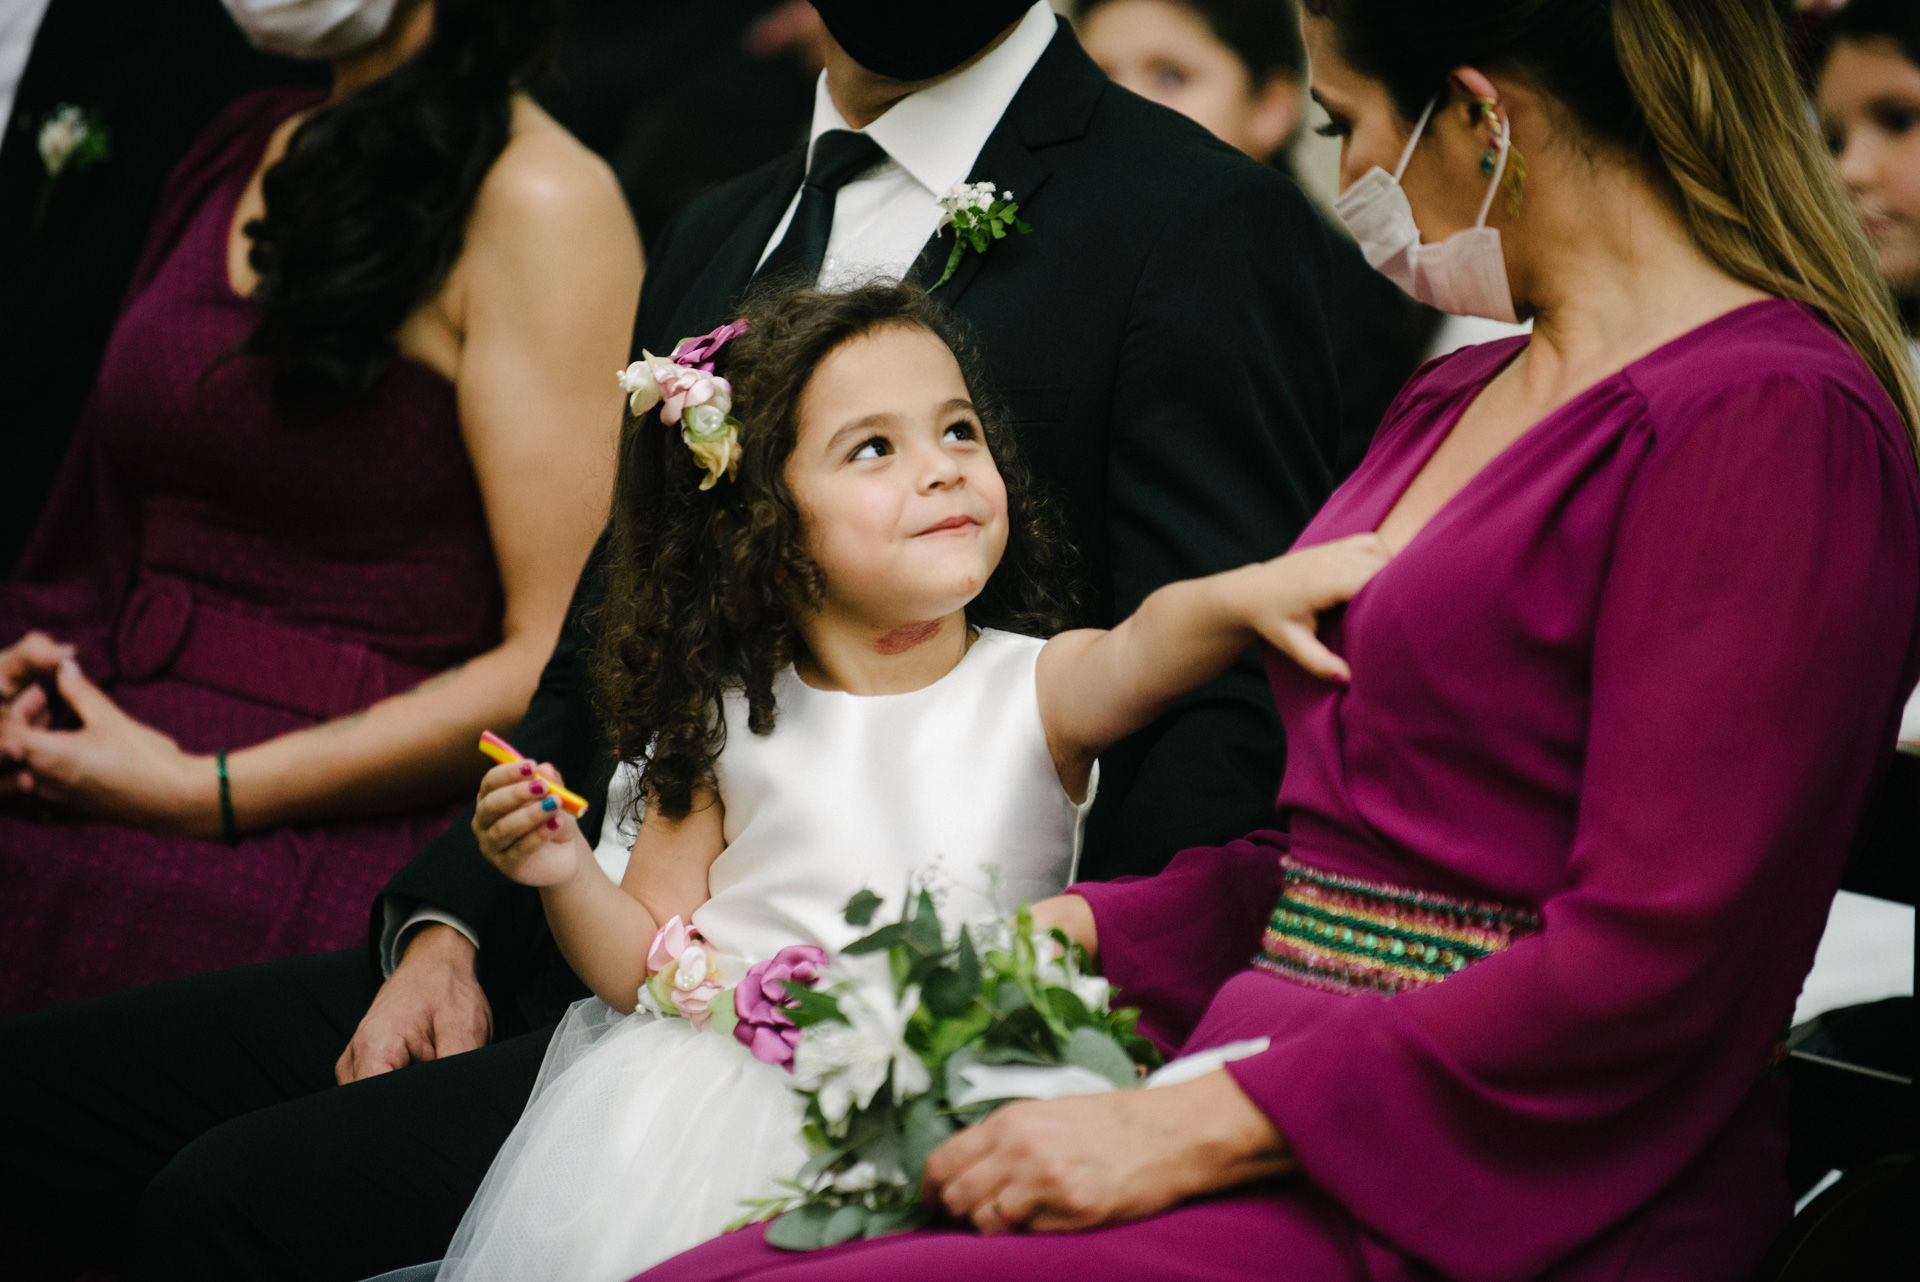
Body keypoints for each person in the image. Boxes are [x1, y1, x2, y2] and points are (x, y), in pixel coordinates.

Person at [0, 4, 1337, 1278]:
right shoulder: (721, 218)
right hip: (583, 933)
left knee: (230, 1208)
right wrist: (455, 920)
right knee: (44, 1103)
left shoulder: (1192, 219)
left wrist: (1067, 1045)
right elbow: (607, 625)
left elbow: (1211, 701)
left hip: (862, 1023)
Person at [641, 0, 1920, 1278]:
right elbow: (1345, 856)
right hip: (1257, 1084)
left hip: (1497, 1183)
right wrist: (1084, 935)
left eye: (1347, 124)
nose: (1352, 176)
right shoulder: (1451, 395)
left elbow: (1664, 959)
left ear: (1482, 117)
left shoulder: (1770, 418)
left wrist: (1193, 1125)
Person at [435, 279, 1380, 1281]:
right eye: (875, 448)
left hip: (960, 1103)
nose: (943, 471)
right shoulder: (715, 726)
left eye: (960, 431)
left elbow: (1146, 646)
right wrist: (563, 869)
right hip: (708, 1126)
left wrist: (1249, 595)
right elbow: (641, 966)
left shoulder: (1037, 687)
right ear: (762, 517)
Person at [0, 0, 640, 1016]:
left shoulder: (544, 200)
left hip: (318, 801)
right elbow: (109, 504)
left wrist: (205, 789)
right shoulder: (245, 142)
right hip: (105, 720)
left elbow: (558, 650)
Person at [1075, 0, 1431, 477]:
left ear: (1272, 106)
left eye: (1170, 76)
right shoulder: (1064, 266)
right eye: (1097, 81)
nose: (1122, 110)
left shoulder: (1344, 301)